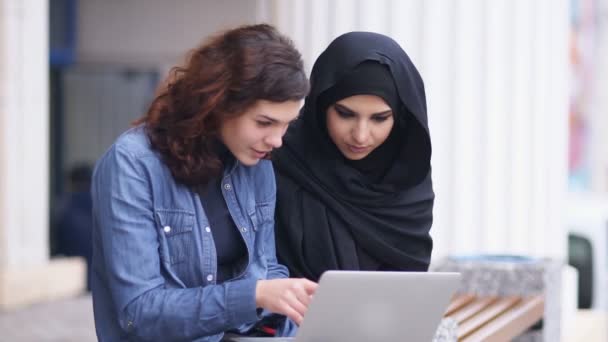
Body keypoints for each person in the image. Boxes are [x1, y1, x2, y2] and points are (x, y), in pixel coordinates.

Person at [91, 24, 317, 342]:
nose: (277, 140)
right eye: (265, 122)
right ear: (218, 102)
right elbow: (138, 313)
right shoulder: (132, 164)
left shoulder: (258, 163)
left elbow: (267, 268)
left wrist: (290, 304)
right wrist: (254, 296)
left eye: (286, 125)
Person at [273, 31, 434, 281]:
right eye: (345, 114)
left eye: (379, 118)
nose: (360, 136)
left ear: (400, 118)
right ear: (320, 104)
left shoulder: (407, 175)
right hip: (290, 318)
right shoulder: (279, 158)